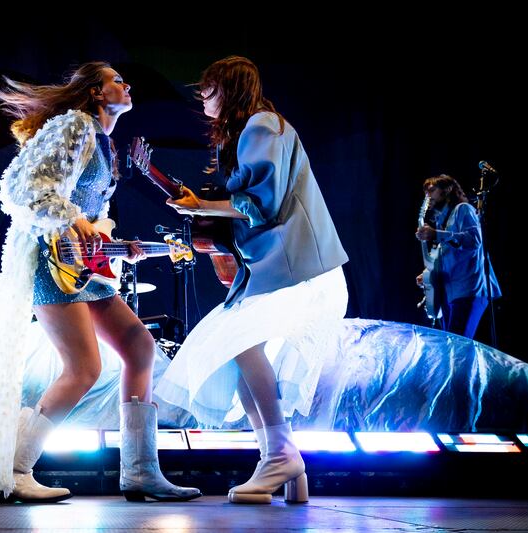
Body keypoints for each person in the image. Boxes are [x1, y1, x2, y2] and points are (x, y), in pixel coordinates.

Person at [0, 61, 200, 504]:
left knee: (140, 348)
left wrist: (109, 238)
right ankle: (15, 468)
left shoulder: (106, 143)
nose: (126, 86)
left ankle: (141, 473)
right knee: (84, 368)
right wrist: (75, 220)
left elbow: (86, 213)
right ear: (95, 92)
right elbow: (20, 187)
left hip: (81, 267)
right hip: (49, 263)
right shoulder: (74, 125)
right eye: (116, 81)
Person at [155, 56, 349, 504]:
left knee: (238, 342)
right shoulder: (262, 127)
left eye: (208, 88)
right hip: (285, 265)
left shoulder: (261, 125)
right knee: (239, 348)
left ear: (227, 89)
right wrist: (203, 205)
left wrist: (200, 207)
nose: (202, 97)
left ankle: (279, 455)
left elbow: (260, 203)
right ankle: (284, 462)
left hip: (296, 265)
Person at [415, 174, 501, 339]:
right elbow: (449, 255)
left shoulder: (463, 209)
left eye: (431, 190)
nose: (428, 195)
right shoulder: (443, 221)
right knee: (452, 348)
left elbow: (474, 241)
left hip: (469, 289)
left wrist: (437, 234)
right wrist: (429, 273)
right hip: (451, 293)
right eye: (426, 192)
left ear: (447, 190)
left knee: (459, 347)